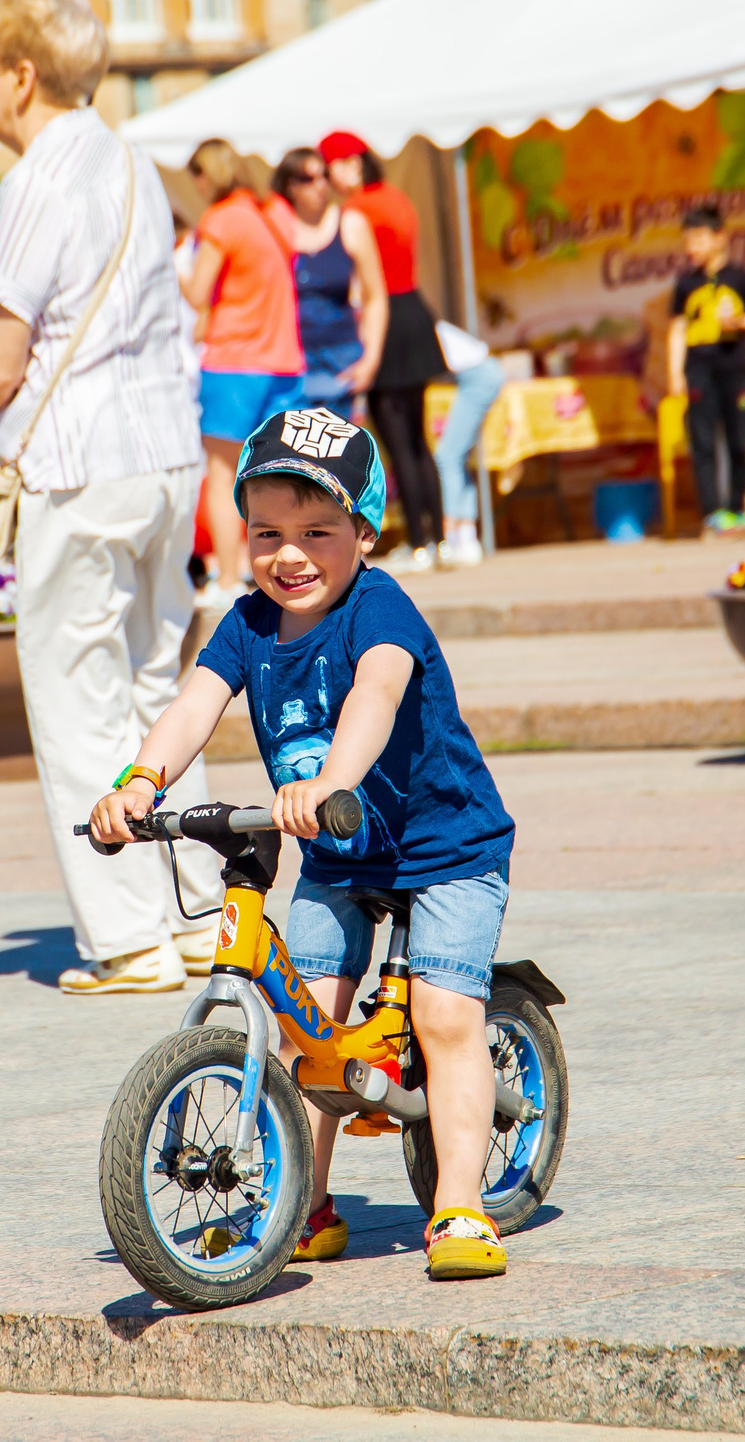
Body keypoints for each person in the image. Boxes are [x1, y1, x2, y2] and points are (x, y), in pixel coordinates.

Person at [88, 408, 519, 1281]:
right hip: (340, 850)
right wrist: (141, 782)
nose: (291, 554)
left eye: (318, 531)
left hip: (446, 846)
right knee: (305, 1019)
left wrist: (333, 779)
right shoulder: (248, 623)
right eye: (267, 533)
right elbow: (196, 704)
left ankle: (463, 1203)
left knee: (444, 1015)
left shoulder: (379, 607)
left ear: (364, 532)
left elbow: (377, 694)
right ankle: (305, 1205)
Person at [0, 0, 217, 995]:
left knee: (74, 694)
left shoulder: (33, 182)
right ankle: (194, 912)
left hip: (75, 460)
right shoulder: (132, 164)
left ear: (22, 76)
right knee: (161, 690)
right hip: (163, 455)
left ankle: (126, 934)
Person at [180, 139, 303, 605]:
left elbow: (196, 292)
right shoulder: (275, 212)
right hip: (285, 360)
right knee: (276, 473)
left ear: (206, 175)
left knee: (223, 471)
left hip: (235, 362)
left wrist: (173, 266)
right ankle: (285, 569)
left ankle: (228, 579)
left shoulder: (221, 219)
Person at [324, 131, 450, 570]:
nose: (327, 177)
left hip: (387, 322)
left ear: (353, 163)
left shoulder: (356, 212)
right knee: (419, 440)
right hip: (416, 313)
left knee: (398, 442)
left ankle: (418, 541)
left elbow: (363, 283)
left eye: (332, 166)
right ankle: (440, 540)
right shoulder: (397, 197)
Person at [666, 205, 745, 533]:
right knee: (702, 440)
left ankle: (739, 508)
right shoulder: (685, 283)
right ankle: (712, 514)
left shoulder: (739, 278)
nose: (691, 247)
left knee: (739, 438)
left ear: (719, 237)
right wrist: (674, 374)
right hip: (699, 369)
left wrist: (740, 322)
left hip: (734, 367)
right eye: (687, 240)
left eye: (698, 238)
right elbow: (677, 329)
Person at [273, 147, 388, 427]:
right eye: (308, 179)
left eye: (324, 176)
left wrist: (370, 359)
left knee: (341, 457)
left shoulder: (350, 224)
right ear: (290, 187)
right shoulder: (277, 229)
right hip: (294, 364)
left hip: (342, 360)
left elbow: (375, 297)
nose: (320, 185)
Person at [432, 318, 504, 566]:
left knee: (447, 456)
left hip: (478, 376)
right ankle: (466, 535)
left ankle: (453, 535)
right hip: (480, 373)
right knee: (456, 456)